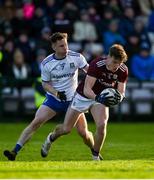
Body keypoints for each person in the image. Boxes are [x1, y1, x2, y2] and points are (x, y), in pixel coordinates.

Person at [3, 32, 94, 161]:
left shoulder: (77, 57)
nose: (65, 48)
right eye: (61, 46)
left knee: (83, 133)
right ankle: (14, 151)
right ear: (54, 47)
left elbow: (90, 72)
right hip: (55, 99)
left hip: (73, 101)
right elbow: (45, 84)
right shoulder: (47, 63)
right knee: (36, 122)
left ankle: (95, 153)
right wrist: (56, 93)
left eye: (66, 44)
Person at [41, 44, 128, 160]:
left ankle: (95, 157)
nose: (117, 66)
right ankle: (51, 138)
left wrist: (118, 98)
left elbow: (121, 92)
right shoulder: (96, 64)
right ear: (108, 57)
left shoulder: (123, 70)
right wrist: (98, 98)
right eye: (115, 62)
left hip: (100, 98)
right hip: (82, 97)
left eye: (120, 63)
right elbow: (87, 89)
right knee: (66, 129)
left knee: (102, 125)